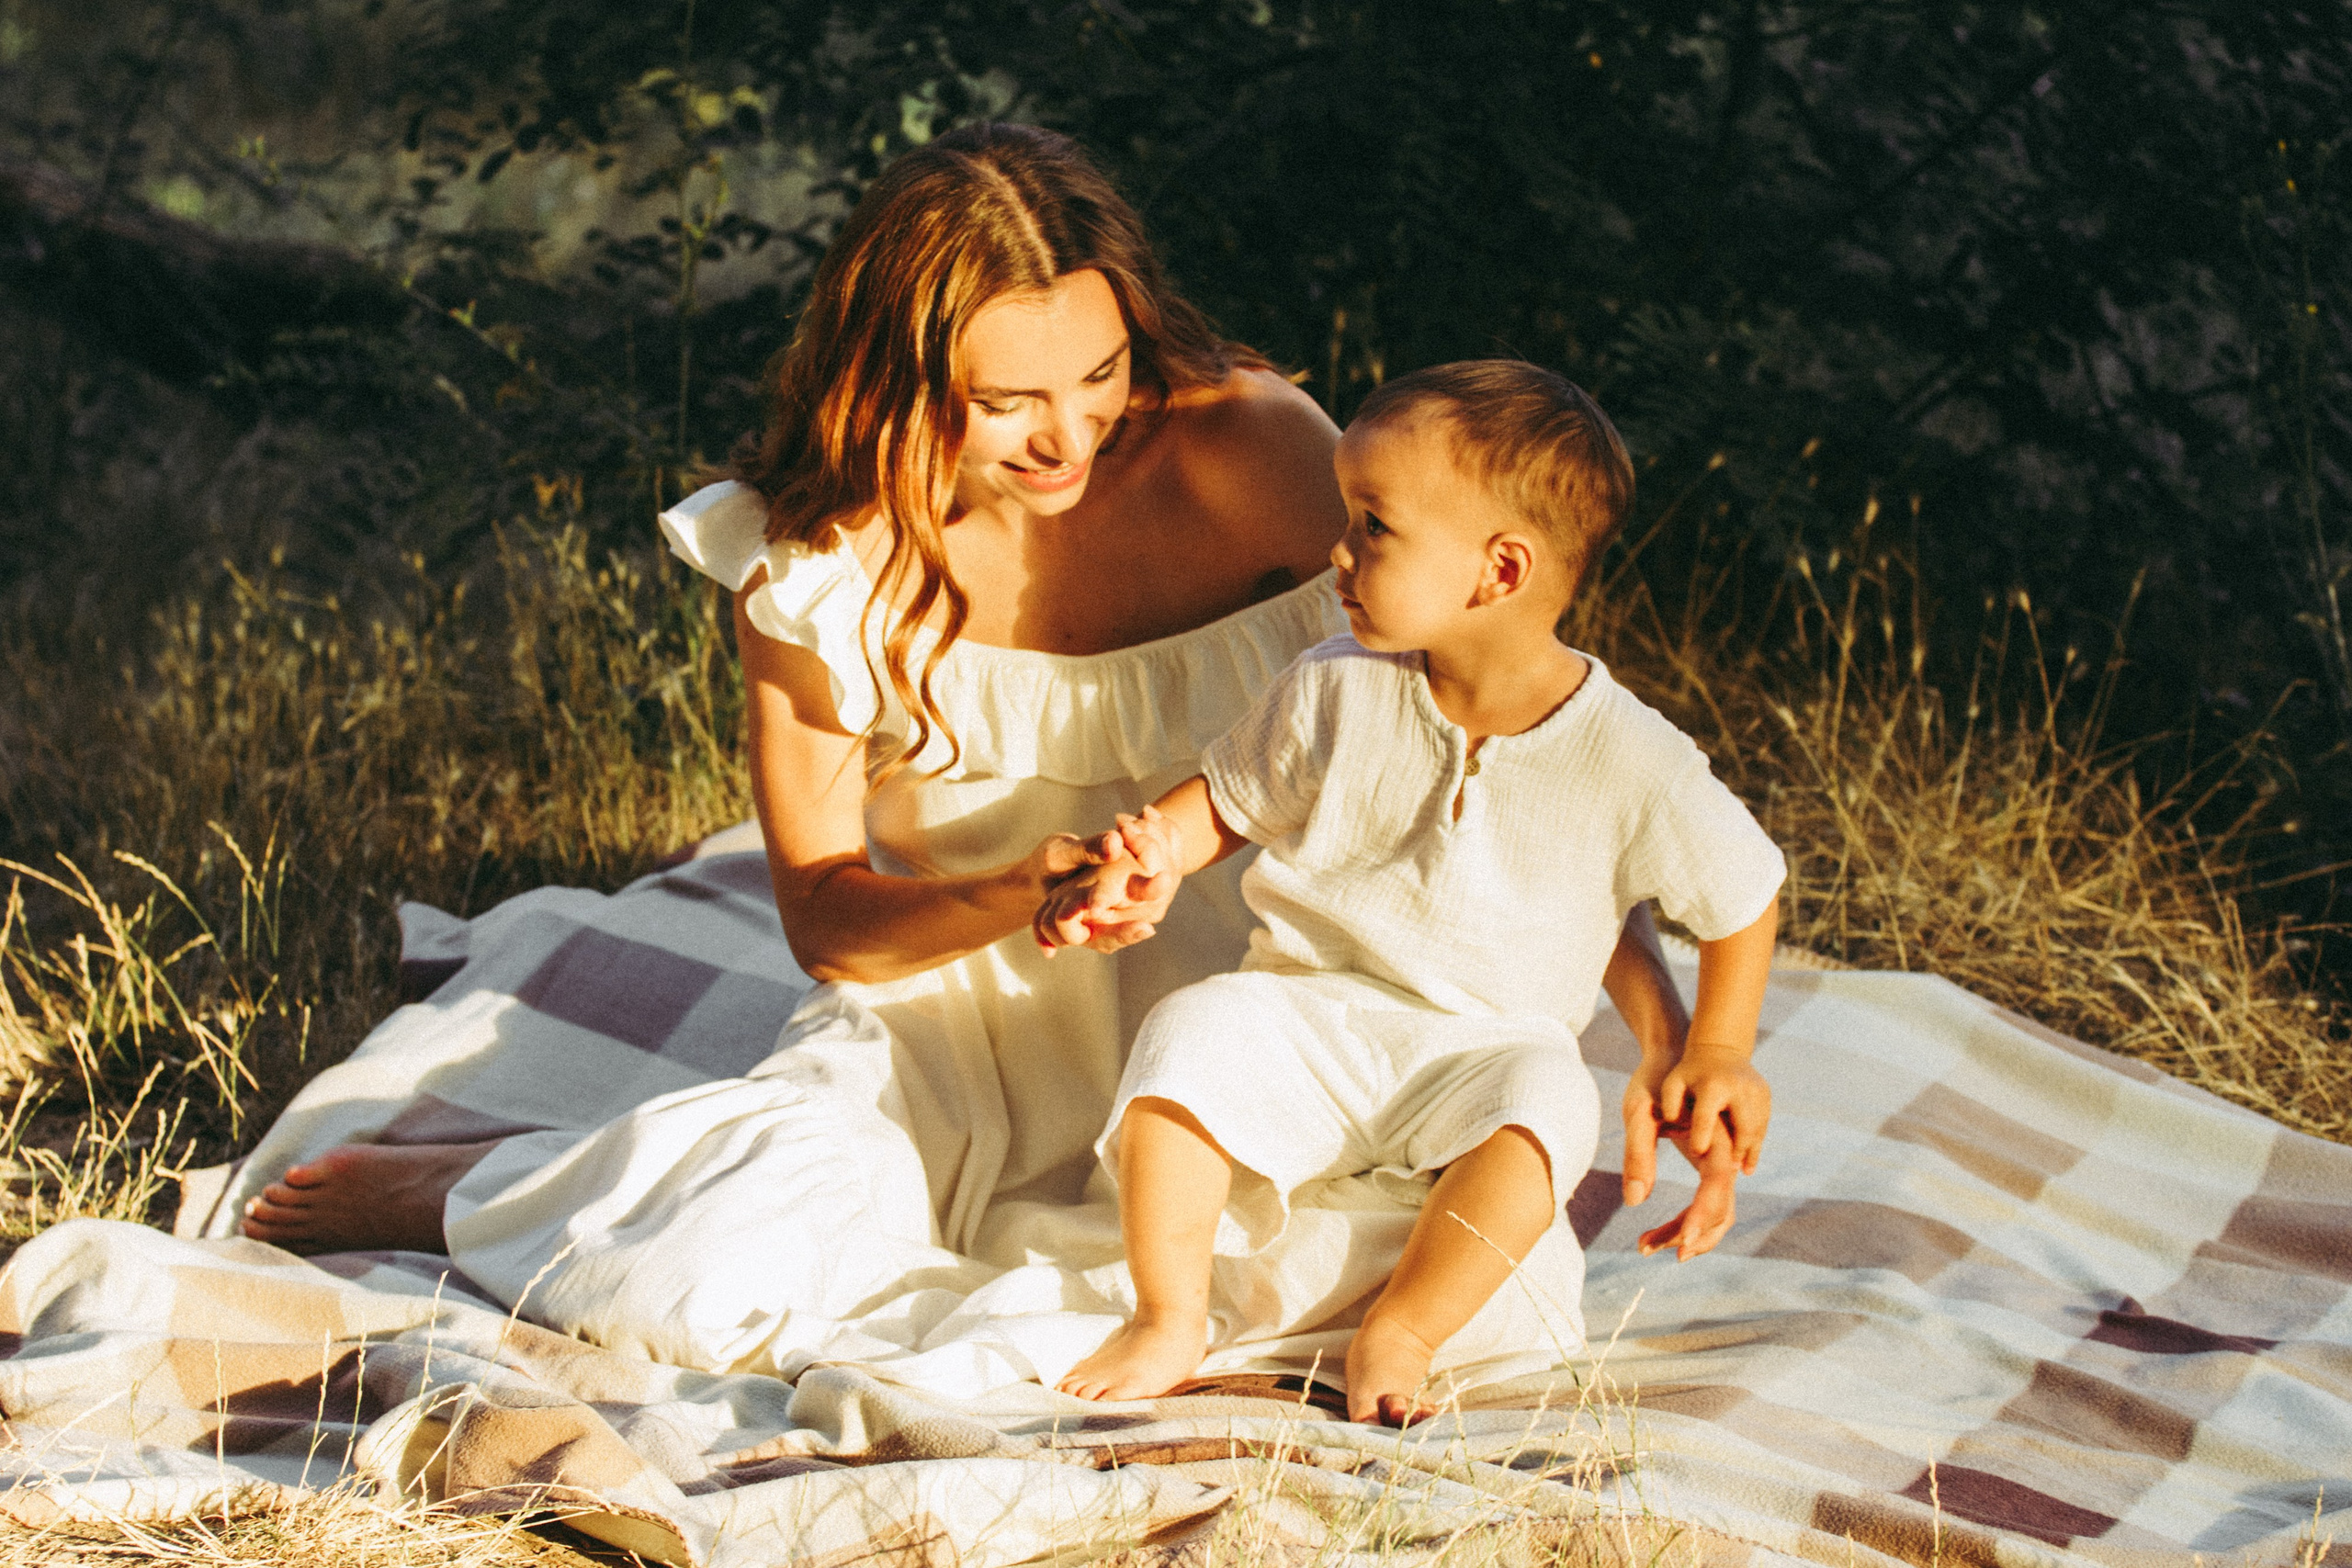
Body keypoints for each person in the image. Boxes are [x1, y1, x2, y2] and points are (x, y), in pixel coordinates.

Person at [236, 126, 1715, 1397]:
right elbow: (822, 915)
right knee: (697, 1278)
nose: (1070, 432)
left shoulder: (1257, 454)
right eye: (1008, 400)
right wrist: (1018, 888)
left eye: (1100, 370)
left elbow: (1497, 738)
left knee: (1462, 1285)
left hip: (1266, 1014)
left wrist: (1654, 1013)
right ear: (898, 373)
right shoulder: (818, 562)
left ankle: (615, 1168)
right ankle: (503, 1183)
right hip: (965, 1023)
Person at [1036, 362, 1785, 1424]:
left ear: (1498, 570)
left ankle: (1404, 1327)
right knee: (1188, 1032)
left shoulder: (1632, 758)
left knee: (1548, 1107)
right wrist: (1148, 850)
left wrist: (1712, 1046)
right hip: (1310, 1009)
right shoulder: (1335, 684)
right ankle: (1170, 1314)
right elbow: (1228, 801)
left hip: (1483, 1044)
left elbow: (1743, 894)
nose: (1338, 553)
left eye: (1373, 527)